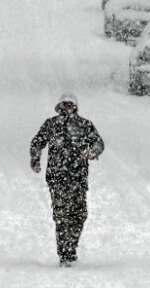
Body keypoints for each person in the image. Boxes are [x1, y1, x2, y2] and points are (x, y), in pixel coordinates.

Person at [30, 92, 104, 267]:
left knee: (79, 215)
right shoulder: (51, 124)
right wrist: (35, 159)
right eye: (64, 104)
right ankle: (65, 255)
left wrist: (91, 152)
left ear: (75, 107)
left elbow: (99, 143)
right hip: (57, 178)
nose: (67, 107)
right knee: (62, 216)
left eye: (70, 104)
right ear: (59, 106)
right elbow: (37, 142)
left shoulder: (85, 125)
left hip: (78, 178)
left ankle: (71, 246)